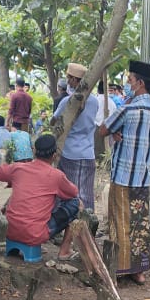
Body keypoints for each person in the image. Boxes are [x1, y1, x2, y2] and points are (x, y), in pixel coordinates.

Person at [98, 59, 150, 284]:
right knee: (139, 223)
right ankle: (139, 270)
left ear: (140, 83)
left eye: (130, 80)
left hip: (123, 176)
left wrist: (115, 133)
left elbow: (102, 130)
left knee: (119, 221)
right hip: (143, 176)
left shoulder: (127, 109)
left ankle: (119, 267)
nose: (127, 83)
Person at [0, 134, 80, 259]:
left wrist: (8, 167)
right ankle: (65, 250)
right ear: (54, 155)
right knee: (75, 203)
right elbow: (74, 192)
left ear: (34, 151)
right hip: (35, 234)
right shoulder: (56, 175)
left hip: (10, 230)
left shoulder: (18, 168)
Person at [52, 61, 101, 212]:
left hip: (70, 153)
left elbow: (54, 121)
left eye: (69, 78)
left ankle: (70, 226)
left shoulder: (68, 101)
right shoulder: (94, 101)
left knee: (68, 194)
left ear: (74, 80)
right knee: (86, 194)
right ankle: (87, 225)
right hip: (87, 153)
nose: (67, 81)